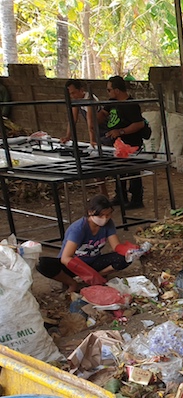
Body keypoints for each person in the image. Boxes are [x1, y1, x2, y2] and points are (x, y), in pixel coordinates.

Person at [36, 195, 139, 292]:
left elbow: (116, 246)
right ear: (91, 212)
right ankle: (72, 283)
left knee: (126, 257)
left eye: (108, 215)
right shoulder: (78, 229)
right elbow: (66, 258)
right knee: (42, 263)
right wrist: (88, 273)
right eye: (101, 215)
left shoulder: (109, 223)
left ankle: (96, 276)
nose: (105, 218)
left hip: (93, 262)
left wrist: (131, 250)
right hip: (73, 265)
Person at [96, 75, 146, 209]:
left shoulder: (131, 105)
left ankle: (136, 199)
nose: (108, 93)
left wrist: (121, 131)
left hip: (131, 142)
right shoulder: (112, 102)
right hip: (117, 143)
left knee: (133, 171)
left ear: (117, 90)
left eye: (109, 90)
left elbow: (139, 124)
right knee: (118, 170)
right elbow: (102, 114)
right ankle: (121, 195)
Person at [60, 79, 99, 147]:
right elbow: (72, 119)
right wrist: (67, 136)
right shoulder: (77, 100)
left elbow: (91, 123)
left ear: (81, 90)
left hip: (102, 128)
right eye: (70, 94)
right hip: (97, 130)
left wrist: (92, 140)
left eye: (73, 93)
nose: (72, 96)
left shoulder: (89, 99)